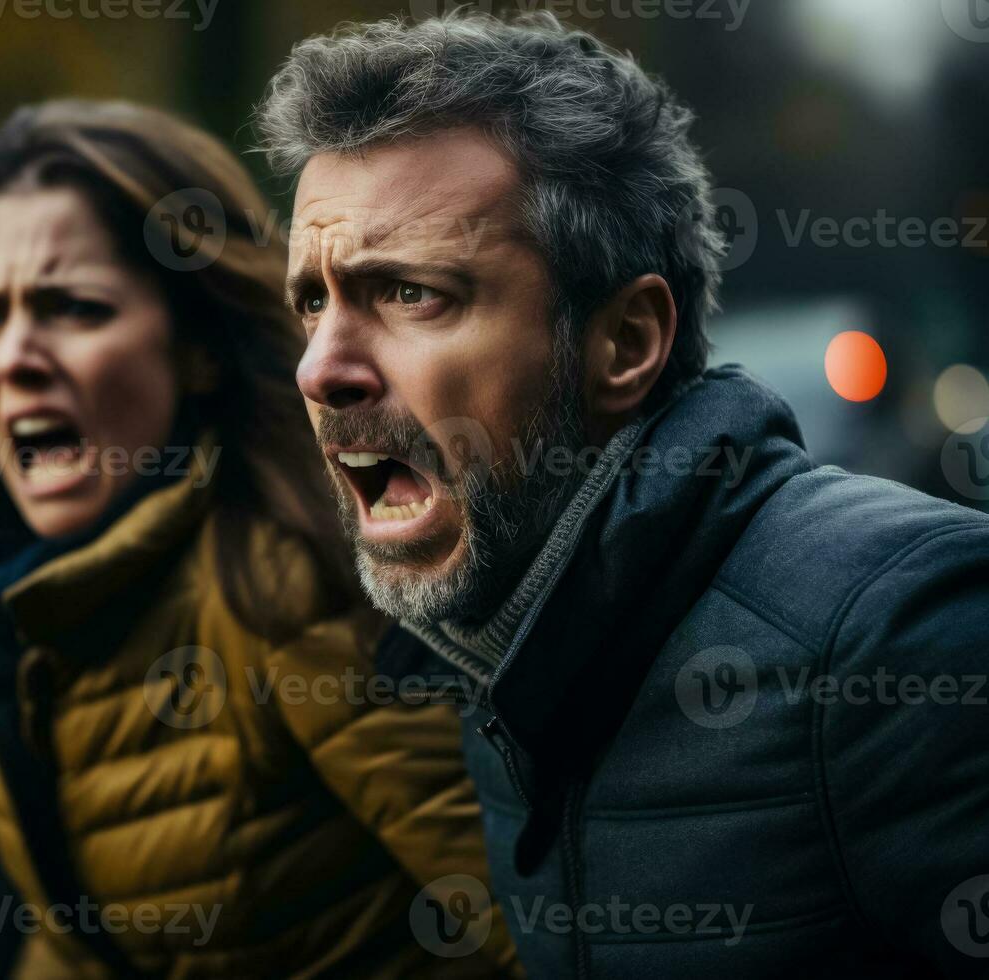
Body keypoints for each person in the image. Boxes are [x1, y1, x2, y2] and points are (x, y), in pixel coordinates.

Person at [255, 11, 989, 978]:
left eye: (410, 294)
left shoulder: (900, 627)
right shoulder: (496, 657)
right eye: (314, 301)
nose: (321, 369)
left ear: (626, 343)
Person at [0, 99, 521, 977]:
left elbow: (533, 936)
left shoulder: (293, 589)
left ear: (197, 349)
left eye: (72, 307)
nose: (17, 354)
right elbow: (78, 945)